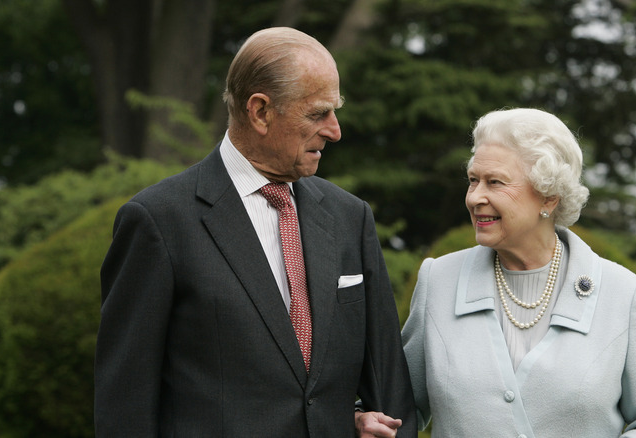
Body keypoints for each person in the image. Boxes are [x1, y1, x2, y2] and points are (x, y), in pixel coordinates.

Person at [94, 27, 416, 438]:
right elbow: (125, 407)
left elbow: (390, 393)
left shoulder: (350, 217)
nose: (335, 130)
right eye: (318, 113)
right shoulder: (158, 221)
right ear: (260, 111)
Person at [400, 108, 636, 436]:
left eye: (495, 182)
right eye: (473, 180)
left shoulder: (624, 295)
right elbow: (396, 409)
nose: (475, 197)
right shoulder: (438, 281)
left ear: (549, 198)